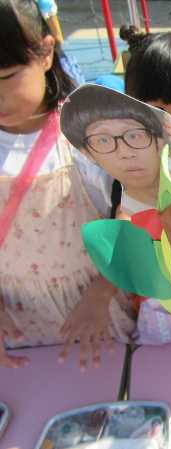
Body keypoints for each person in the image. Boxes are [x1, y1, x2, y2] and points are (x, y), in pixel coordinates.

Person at [0, 0, 134, 370]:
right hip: (15, 325)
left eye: (6, 77)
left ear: (46, 53)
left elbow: (131, 215)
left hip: (97, 310)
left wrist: (102, 292)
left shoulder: (90, 132)